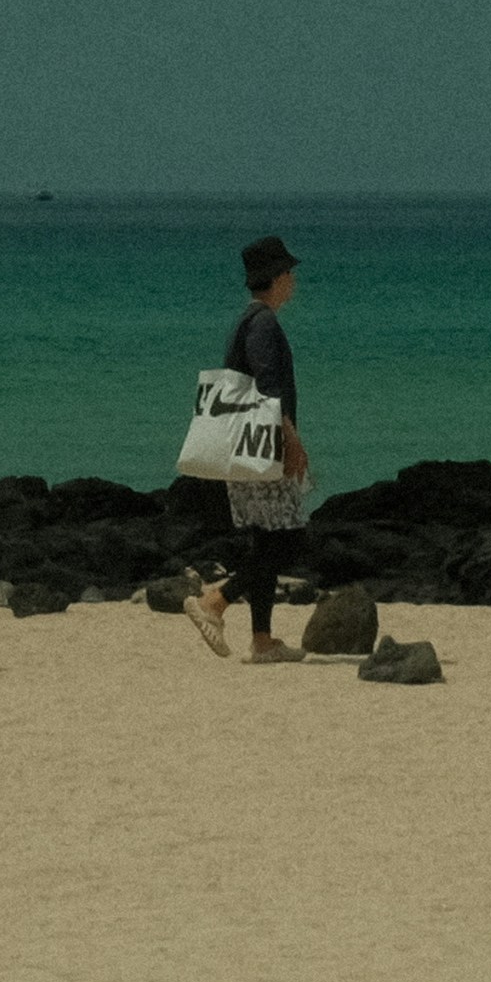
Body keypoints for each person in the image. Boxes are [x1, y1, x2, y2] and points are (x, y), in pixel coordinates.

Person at [182, 233, 316, 662]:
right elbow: (268, 387)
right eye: (289, 273)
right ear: (276, 279)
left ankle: (261, 640)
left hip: (243, 448)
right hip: (261, 448)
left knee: (265, 542)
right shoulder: (263, 324)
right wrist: (292, 441)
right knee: (286, 540)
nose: (293, 280)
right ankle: (214, 602)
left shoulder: (249, 320)